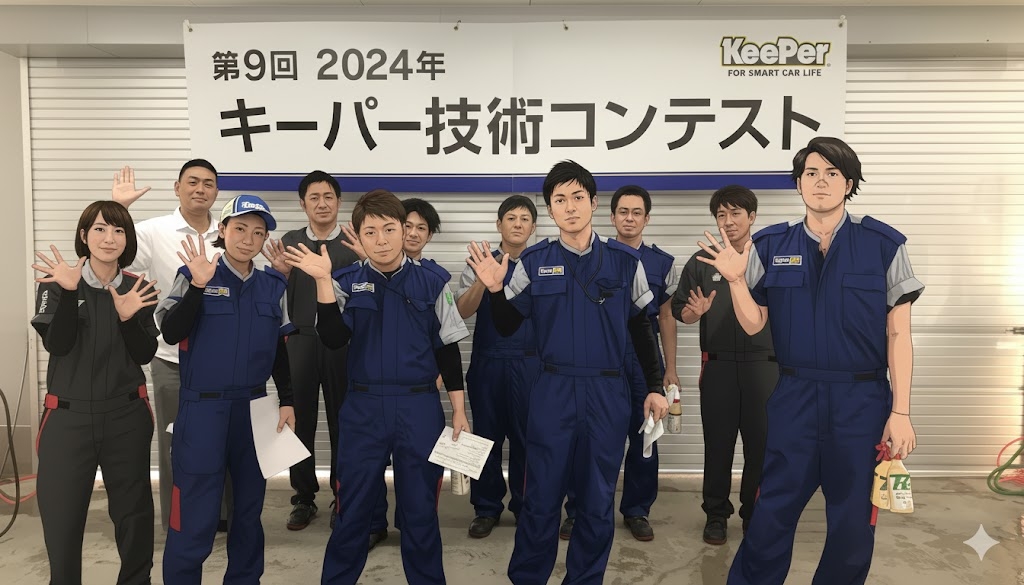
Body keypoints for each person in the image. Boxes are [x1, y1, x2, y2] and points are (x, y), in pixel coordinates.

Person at [695, 137, 923, 585]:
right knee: (771, 511)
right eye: (811, 173)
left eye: (832, 173)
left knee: (853, 520)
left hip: (861, 400)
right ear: (798, 183)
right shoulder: (770, 243)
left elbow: (899, 334)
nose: (821, 182)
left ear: (849, 183)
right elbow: (755, 324)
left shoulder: (883, 244)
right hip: (794, 397)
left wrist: (901, 412)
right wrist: (737, 282)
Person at [466, 160, 669, 585]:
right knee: (540, 498)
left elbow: (641, 328)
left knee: (596, 501)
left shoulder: (624, 262)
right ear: (551, 209)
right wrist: (496, 289)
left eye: (578, 197)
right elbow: (507, 323)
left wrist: (654, 386)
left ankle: (585, 579)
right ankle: (528, 577)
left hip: (607, 392)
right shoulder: (534, 261)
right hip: (551, 391)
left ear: (593, 203)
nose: (570, 207)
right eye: (560, 199)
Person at [283, 188, 470, 585]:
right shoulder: (346, 281)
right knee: (353, 508)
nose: (381, 240)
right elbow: (333, 337)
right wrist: (322, 280)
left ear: (404, 230)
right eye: (370, 232)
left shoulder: (434, 282)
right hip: (364, 407)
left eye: (389, 229)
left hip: (419, 407)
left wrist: (458, 410)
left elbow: (448, 349)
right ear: (359, 236)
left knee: (420, 509)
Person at [157, 195, 295, 584]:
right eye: (240, 229)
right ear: (222, 230)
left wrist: (287, 400)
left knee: (248, 510)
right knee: (194, 512)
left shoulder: (273, 285)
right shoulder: (194, 273)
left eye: (258, 232)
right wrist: (197, 286)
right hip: (203, 410)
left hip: (254, 409)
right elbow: (171, 331)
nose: (248, 239)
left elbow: (279, 349)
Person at [31, 201, 160, 585]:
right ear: (84, 235)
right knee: (62, 516)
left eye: (119, 230)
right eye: (100, 229)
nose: (109, 238)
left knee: (134, 514)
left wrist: (128, 319)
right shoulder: (56, 282)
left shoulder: (138, 286)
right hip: (67, 418)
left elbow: (144, 353)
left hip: (126, 416)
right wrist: (70, 292)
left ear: (128, 239)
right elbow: (58, 344)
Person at [112, 162, 233, 532]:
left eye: (208, 183)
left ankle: (222, 515)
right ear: (177, 187)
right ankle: (179, 519)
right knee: (174, 443)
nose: (200, 189)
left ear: (216, 191)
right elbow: (112, 256)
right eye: (192, 182)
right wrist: (120, 209)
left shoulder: (228, 230)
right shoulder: (153, 231)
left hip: (222, 360)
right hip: (171, 358)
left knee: (223, 441)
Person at [561, 185, 678, 542]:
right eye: (623, 212)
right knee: (586, 438)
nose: (629, 218)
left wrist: (669, 369)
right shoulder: (593, 257)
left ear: (647, 218)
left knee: (645, 436)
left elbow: (665, 318)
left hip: (642, 360)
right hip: (600, 360)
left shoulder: (662, 263)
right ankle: (578, 509)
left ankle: (637, 509)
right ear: (611, 217)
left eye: (636, 212)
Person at [672, 185, 778, 545]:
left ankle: (753, 513)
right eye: (721, 215)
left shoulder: (769, 259)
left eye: (735, 213)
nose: (728, 221)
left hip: (765, 366)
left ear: (752, 217)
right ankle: (716, 515)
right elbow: (682, 312)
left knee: (760, 445)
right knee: (718, 445)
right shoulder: (702, 261)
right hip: (717, 366)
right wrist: (694, 312)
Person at [262, 171, 360, 531]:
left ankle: (342, 493)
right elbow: (275, 297)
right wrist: (280, 274)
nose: (322, 203)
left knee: (343, 421)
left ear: (339, 202)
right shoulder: (290, 242)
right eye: (314, 197)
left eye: (328, 196)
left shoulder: (352, 242)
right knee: (298, 420)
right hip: (299, 340)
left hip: (342, 342)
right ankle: (303, 497)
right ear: (302, 204)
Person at [455, 195, 540, 538]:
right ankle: (486, 507)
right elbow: (462, 311)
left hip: (531, 363)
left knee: (527, 439)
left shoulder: (541, 262)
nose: (517, 224)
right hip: (488, 362)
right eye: (511, 218)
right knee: (485, 437)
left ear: (533, 227)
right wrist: (482, 278)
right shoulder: (480, 260)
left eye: (524, 218)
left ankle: (524, 505)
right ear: (498, 224)